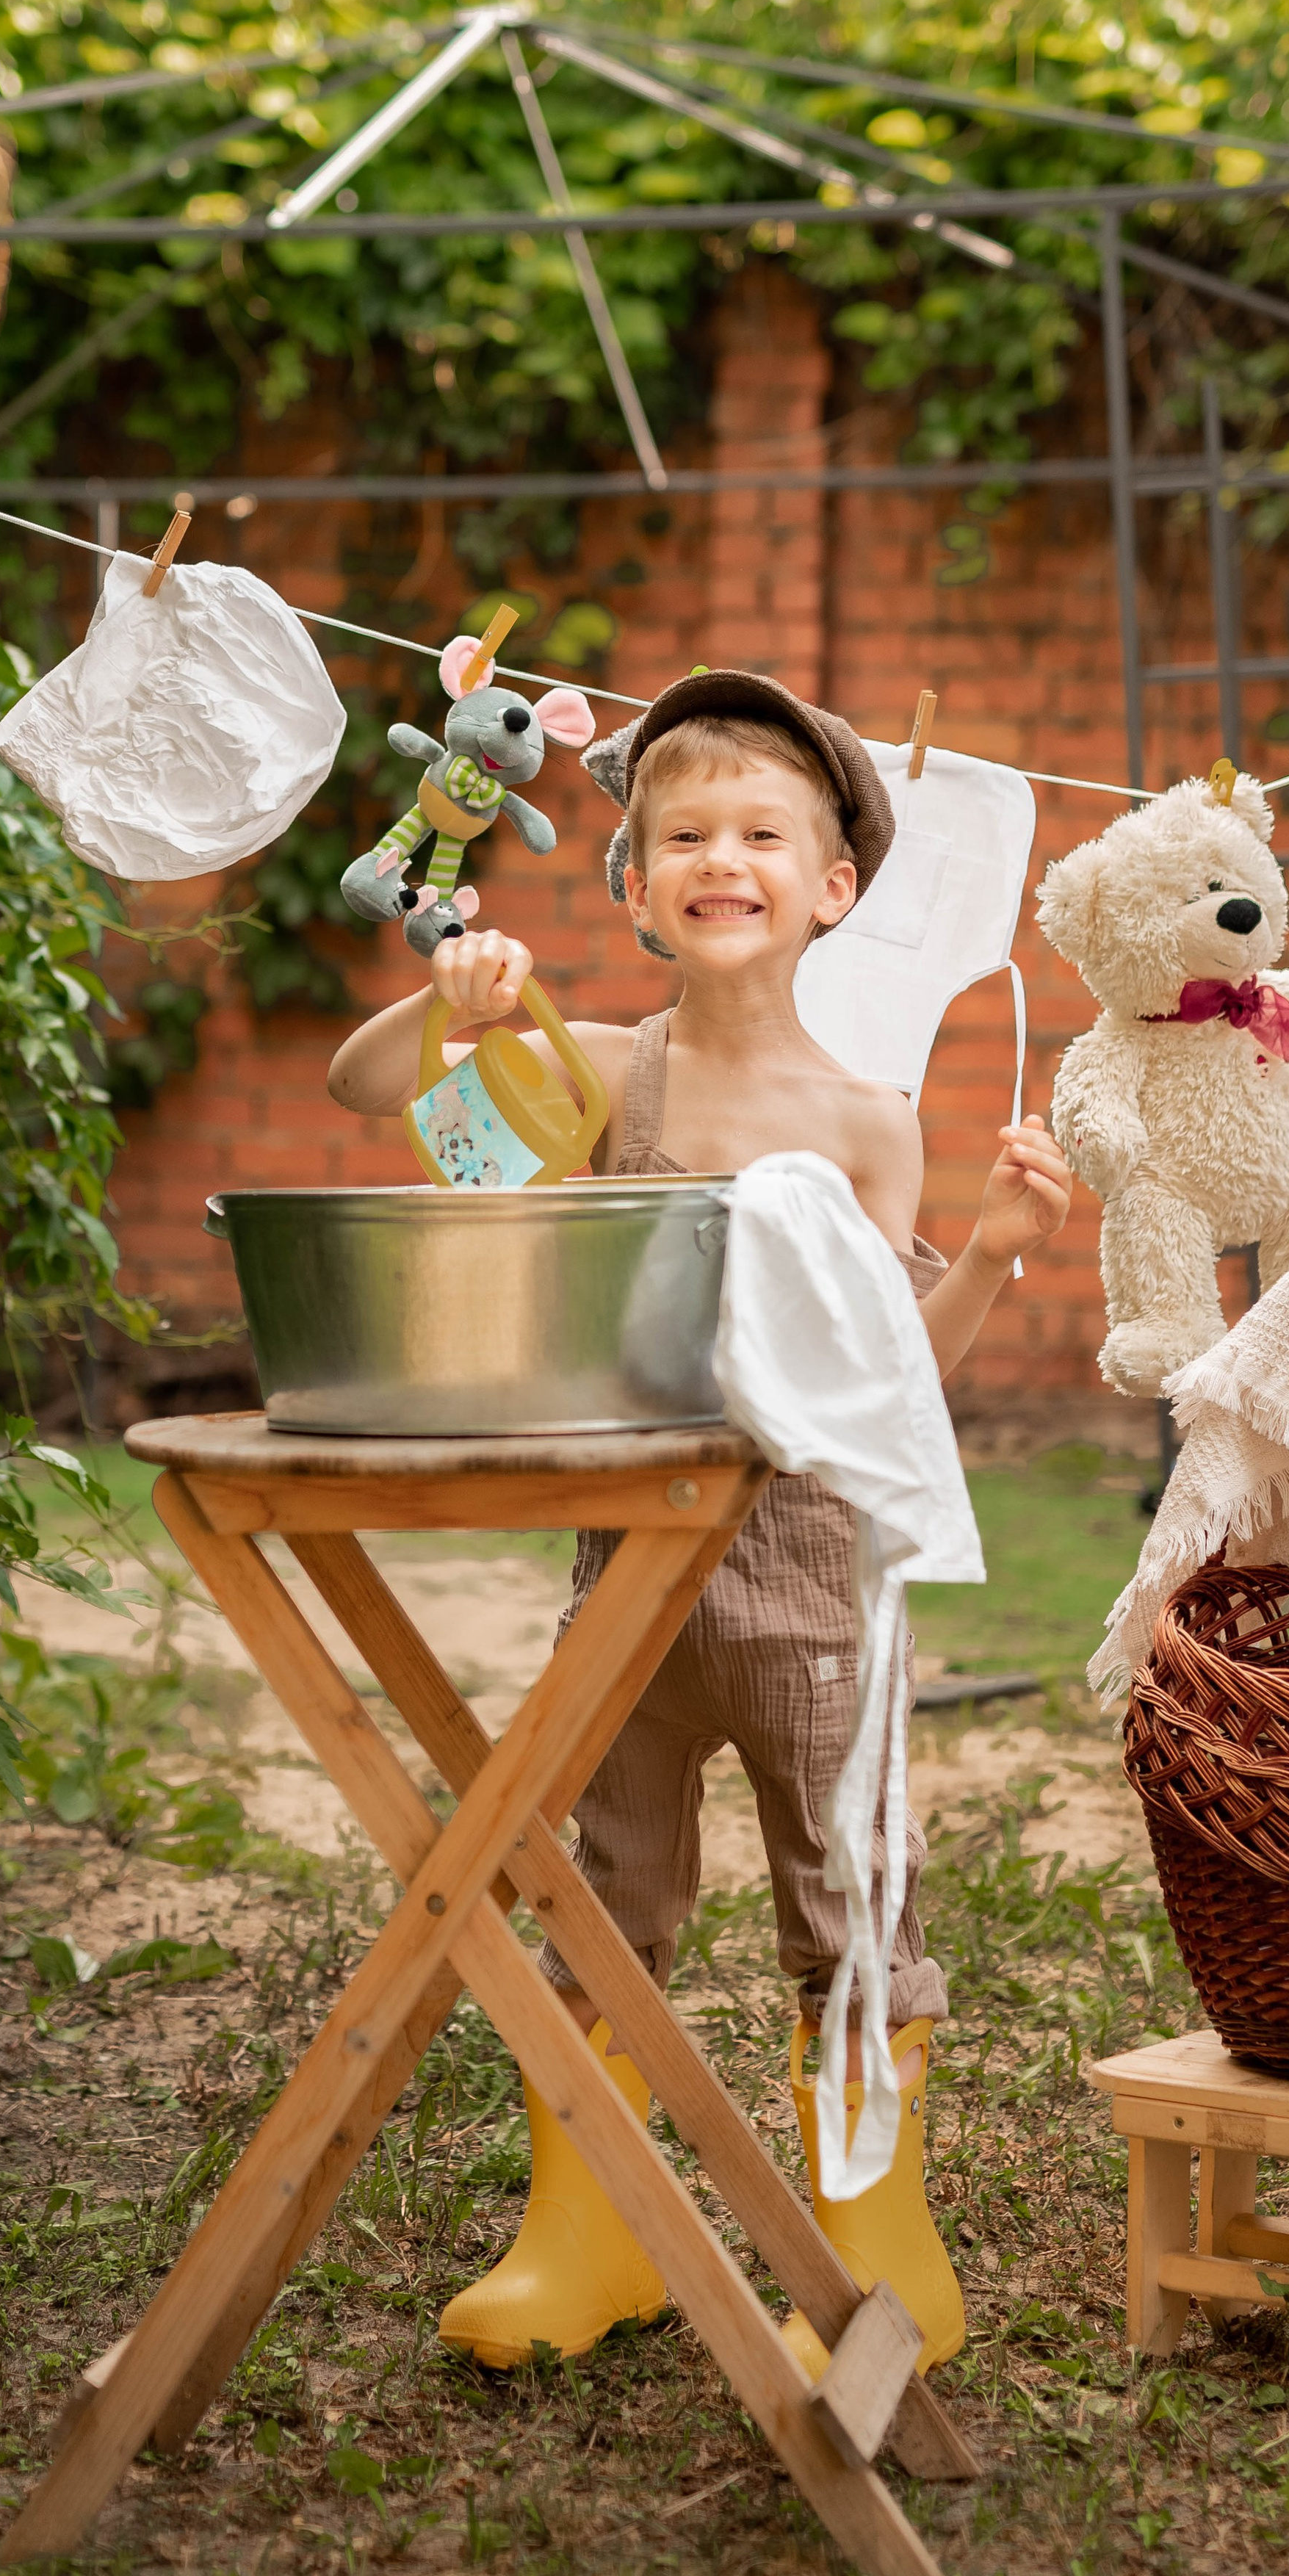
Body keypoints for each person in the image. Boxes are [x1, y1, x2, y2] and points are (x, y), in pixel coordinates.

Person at [328, 671, 1072, 2377]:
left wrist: (987, 1248)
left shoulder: (868, 1122)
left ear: (830, 888)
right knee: (610, 1891)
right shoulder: (597, 1068)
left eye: (757, 835)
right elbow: (372, 1090)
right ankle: (583, 2239)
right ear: (634, 885)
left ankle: (886, 2259)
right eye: (680, 836)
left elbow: (897, 1379)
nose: (715, 857)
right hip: (631, 1564)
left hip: (812, 1579)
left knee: (847, 1899)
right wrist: (458, 998)